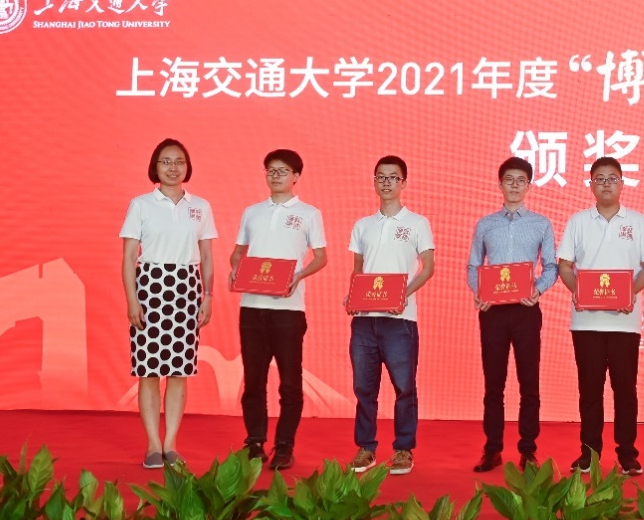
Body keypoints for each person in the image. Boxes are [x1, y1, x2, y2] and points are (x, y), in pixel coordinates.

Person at [556, 156, 644, 475]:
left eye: (612, 178)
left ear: (622, 183)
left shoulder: (638, 222)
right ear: (590, 185)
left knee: (625, 391)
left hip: (625, 323)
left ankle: (627, 454)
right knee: (590, 391)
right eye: (599, 179)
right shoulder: (578, 222)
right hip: (586, 322)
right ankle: (589, 453)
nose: (606, 184)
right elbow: (564, 265)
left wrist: (631, 293)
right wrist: (576, 290)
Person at [119, 138, 216, 469]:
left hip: (187, 287)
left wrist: (208, 297)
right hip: (150, 286)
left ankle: (171, 444)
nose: (173, 168)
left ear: (187, 166)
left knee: (178, 371)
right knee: (148, 371)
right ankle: (152, 445)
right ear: (155, 167)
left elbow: (206, 256)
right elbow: (129, 257)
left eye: (179, 161)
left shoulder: (200, 206)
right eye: (166, 161)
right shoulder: (141, 205)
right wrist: (132, 299)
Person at [229, 149, 328, 471]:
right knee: (254, 380)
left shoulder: (309, 214)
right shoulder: (252, 212)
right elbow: (238, 253)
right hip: (251, 307)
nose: (275, 176)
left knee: (290, 382)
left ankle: (284, 445)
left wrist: (299, 276)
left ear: (296, 176)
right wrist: (235, 268)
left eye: (282, 171)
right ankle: (255, 442)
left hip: (288, 310)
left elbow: (321, 257)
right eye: (270, 170)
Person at [466, 157, 558, 472]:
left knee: (529, 383)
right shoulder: (485, 224)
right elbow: (473, 265)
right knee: (494, 384)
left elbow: (551, 266)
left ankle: (528, 450)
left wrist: (538, 289)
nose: (515, 185)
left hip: (526, 310)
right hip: (493, 312)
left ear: (529, 186)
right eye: (509, 179)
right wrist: (479, 292)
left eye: (521, 180)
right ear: (500, 184)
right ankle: (492, 449)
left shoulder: (541, 224)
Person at [346, 155, 435, 476]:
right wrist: (352, 295)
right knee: (363, 389)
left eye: (393, 177)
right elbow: (358, 270)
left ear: (403, 183)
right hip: (364, 320)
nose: (386, 182)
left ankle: (403, 449)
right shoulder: (363, 225)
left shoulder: (417, 223)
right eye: (380, 177)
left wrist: (403, 295)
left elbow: (428, 268)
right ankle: (366, 448)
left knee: (404, 387)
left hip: (400, 320)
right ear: (374, 181)